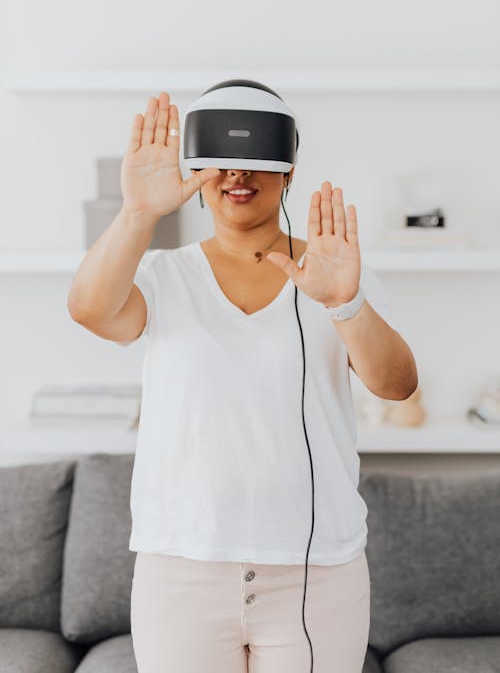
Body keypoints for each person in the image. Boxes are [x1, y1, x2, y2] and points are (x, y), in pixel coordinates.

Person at [67, 90, 418, 673]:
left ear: (289, 169)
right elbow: (91, 310)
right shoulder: (163, 275)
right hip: (183, 565)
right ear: (197, 168)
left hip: (315, 568)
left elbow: (396, 385)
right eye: (221, 157)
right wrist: (138, 212)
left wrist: (345, 303)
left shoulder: (338, 273)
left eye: (257, 155)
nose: (237, 171)